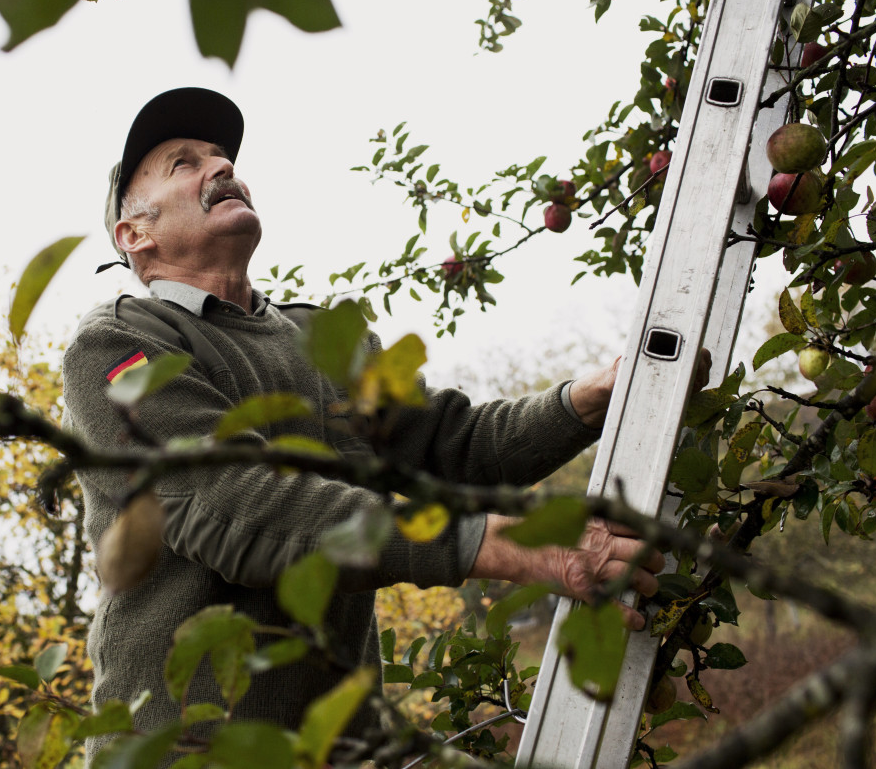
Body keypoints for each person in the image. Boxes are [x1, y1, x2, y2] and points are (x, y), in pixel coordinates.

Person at [62, 87, 675, 762]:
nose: (220, 168)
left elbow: (451, 446)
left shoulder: (323, 339)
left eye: (222, 157)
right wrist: (512, 546)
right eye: (184, 163)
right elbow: (236, 505)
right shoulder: (119, 345)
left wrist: (582, 401)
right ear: (135, 235)